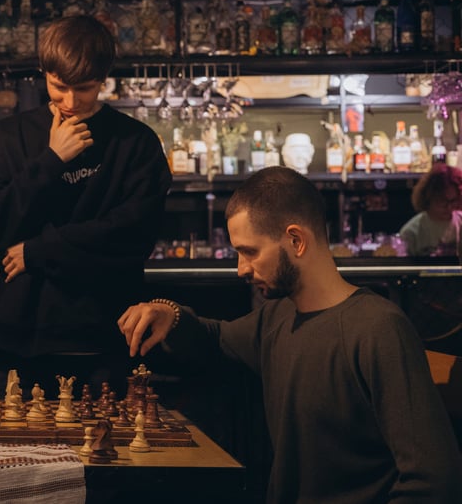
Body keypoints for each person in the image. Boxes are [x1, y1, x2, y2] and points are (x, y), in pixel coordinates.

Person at [118, 166, 462, 503]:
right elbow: (217, 339)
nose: (240, 269)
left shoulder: (377, 328)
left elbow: (432, 479)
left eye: (249, 252)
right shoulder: (277, 317)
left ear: (296, 240)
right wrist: (171, 314)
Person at [0, 14, 172, 398]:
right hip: (18, 341)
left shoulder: (136, 143)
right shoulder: (8, 137)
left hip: (105, 340)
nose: (71, 101)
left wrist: (37, 251)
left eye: (85, 88)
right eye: (59, 87)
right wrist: (51, 161)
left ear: (104, 79)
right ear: (43, 72)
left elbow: (133, 236)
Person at [399, 162, 462, 257]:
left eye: (453, 201)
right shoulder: (410, 233)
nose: (449, 207)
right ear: (428, 199)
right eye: (442, 201)